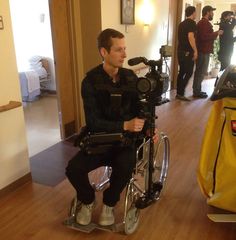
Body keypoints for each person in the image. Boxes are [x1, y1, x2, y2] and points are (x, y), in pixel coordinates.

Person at [66, 28, 158, 226]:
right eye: (118, 50)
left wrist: (149, 128)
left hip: (125, 143)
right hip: (99, 140)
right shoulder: (90, 81)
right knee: (73, 169)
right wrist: (124, 124)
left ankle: (109, 203)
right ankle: (88, 200)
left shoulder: (131, 78)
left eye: (124, 49)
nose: (124, 54)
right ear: (103, 52)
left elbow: (141, 109)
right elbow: (93, 121)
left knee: (125, 166)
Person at [192, 5, 223, 98]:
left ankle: (197, 91)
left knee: (201, 72)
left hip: (204, 51)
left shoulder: (204, 23)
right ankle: (196, 92)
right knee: (200, 72)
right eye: (212, 12)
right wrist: (216, 33)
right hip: (202, 51)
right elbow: (204, 37)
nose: (213, 13)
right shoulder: (203, 23)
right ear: (207, 12)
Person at [176, 6, 198, 101]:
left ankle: (179, 93)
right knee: (189, 72)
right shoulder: (192, 23)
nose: (196, 14)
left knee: (181, 72)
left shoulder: (181, 24)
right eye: (195, 12)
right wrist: (195, 50)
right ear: (193, 13)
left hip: (180, 51)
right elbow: (190, 37)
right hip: (187, 52)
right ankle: (181, 93)